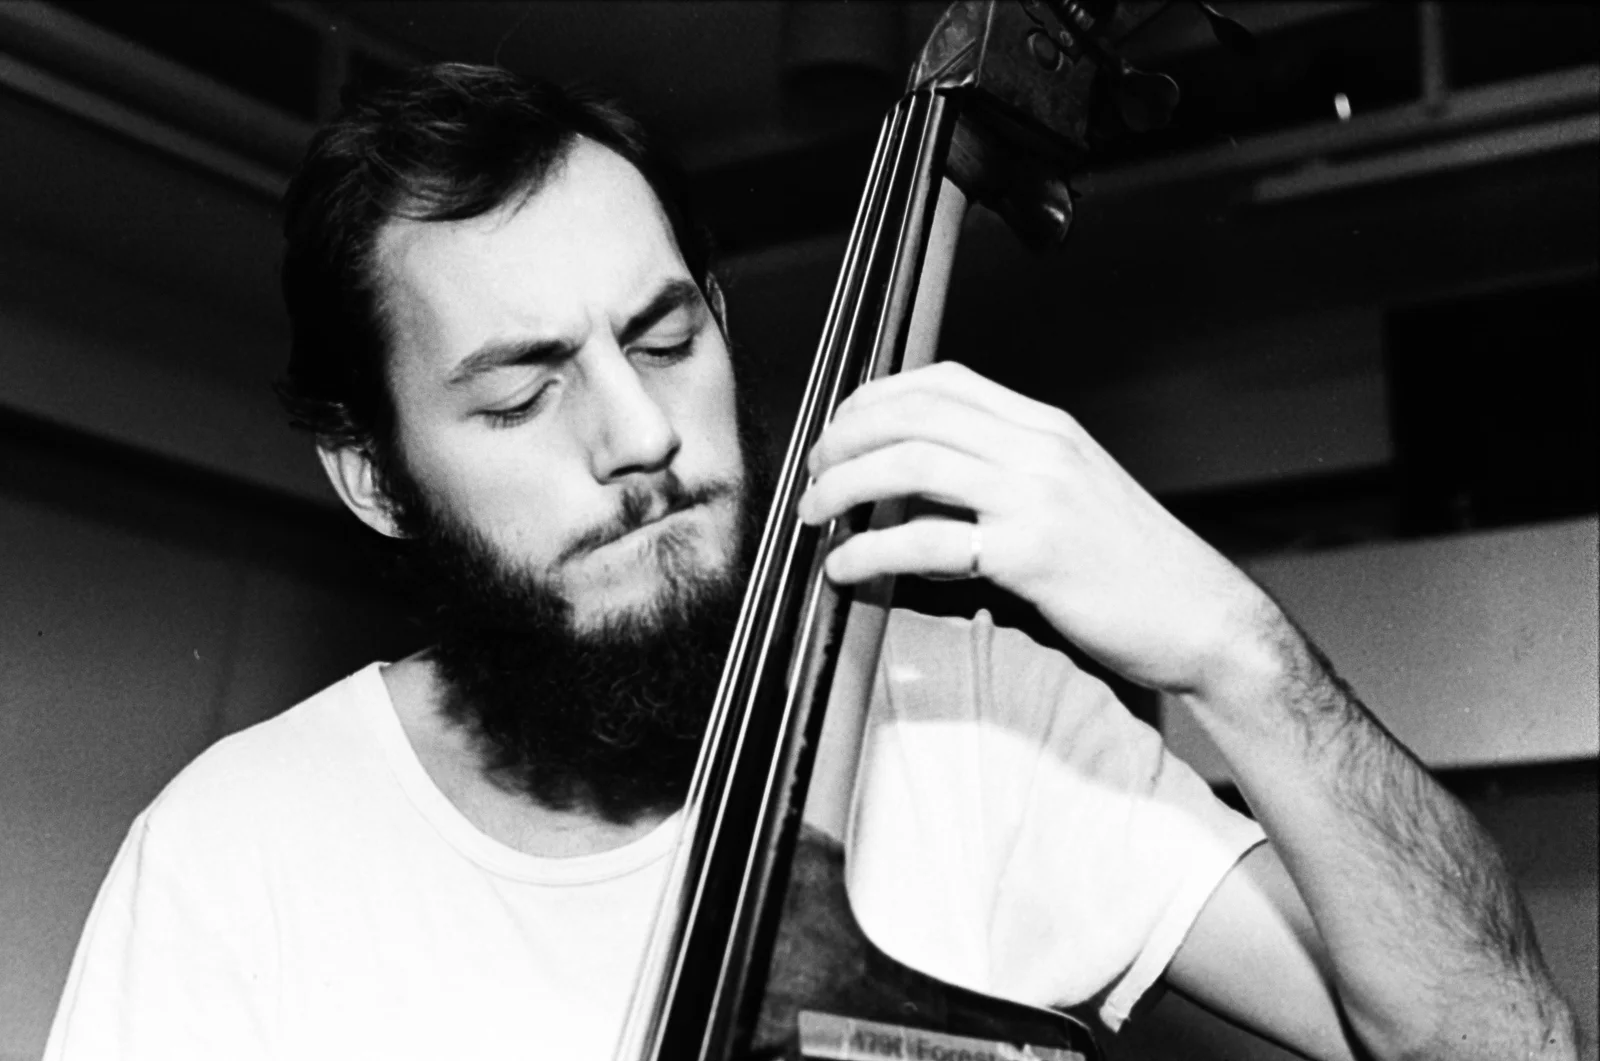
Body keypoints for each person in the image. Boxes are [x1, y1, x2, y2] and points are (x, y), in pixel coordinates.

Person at [45, 63, 1578, 1061]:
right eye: (520, 396)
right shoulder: (235, 857)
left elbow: (1508, 1048)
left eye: (666, 340)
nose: (640, 433)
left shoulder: (977, 718)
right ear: (374, 478)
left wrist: (1241, 655)